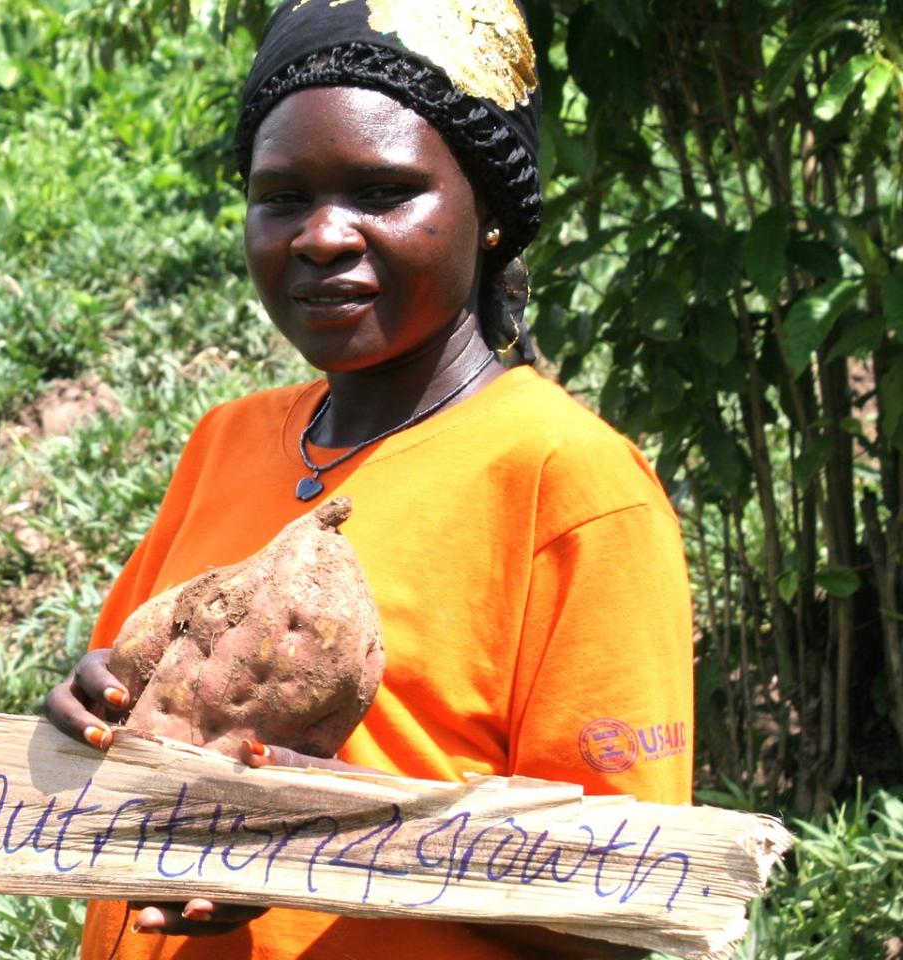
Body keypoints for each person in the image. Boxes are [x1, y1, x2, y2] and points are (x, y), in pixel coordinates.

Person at [44, 2, 693, 958]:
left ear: (494, 221)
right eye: (281, 196)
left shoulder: (569, 484)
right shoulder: (229, 439)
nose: (320, 236)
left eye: (383, 192)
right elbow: (137, 727)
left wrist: (313, 839)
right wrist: (83, 715)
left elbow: (628, 903)